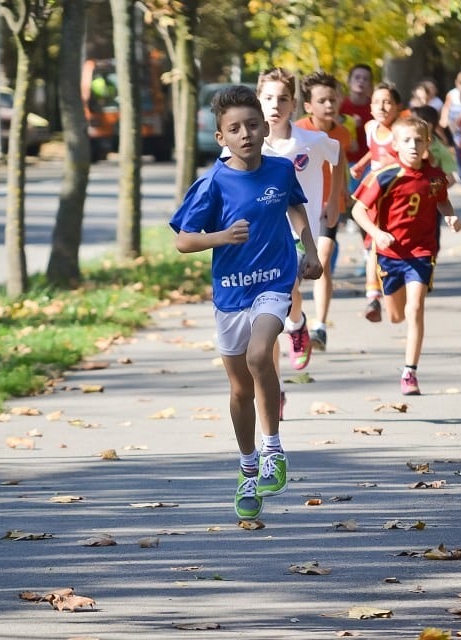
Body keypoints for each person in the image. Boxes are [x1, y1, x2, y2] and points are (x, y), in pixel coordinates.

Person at [169, 85, 322, 521]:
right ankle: (248, 466)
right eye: (234, 129)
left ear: (264, 127)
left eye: (253, 125)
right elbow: (183, 240)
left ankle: (273, 448)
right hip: (230, 293)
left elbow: (297, 209)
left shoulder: (279, 171)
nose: (246, 134)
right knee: (239, 388)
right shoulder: (212, 183)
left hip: (274, 281)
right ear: (221, 138)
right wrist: (222, 236)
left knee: (261, 356)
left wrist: (309, 250)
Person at [350, 116, 461, 396]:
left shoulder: (435, 176)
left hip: (421, 252)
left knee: (415, 309)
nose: (413, 146)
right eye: (407, 141)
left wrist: (450, 217)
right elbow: (358, 211)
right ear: (396, 145)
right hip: (389, 253)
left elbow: (442, 200)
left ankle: (409, 372)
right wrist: (376, 233)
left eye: (419, 141)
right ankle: (383, 299)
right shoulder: (384, 175)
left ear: (427, 144)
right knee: (397, 315)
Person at [255, 67, 339, 419]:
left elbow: (337, 156)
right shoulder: (249, 143)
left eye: (283, 99)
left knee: (285, 290)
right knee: (265, 318)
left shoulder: (311, 140)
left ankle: (298, 321)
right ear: (258, 100)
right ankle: (277, 389)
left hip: (299, 231)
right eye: (268, 98)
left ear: (294, 104)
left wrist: (334, 199)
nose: (275, 105)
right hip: (260, 236)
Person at [296, 71, 351, 353]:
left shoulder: (342, 134)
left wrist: (336, 200)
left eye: (332, 99)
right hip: (300, 208)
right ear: (308, 105)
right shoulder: (298, 131)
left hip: (329, 206)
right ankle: (297, 321)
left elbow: (339, 170)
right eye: (322, 100)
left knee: (324, 259)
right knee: (299, 270)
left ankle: (320, 326)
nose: (329, 105)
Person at [351, 83, 403, 321]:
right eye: (376, 102)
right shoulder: (371, 127)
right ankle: (373, 296)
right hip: (374, 191)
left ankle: (397, 287)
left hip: (397, 192)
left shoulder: (402, 131)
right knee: (373, 243)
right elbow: (374, 150)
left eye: (387, 102)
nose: (381, 107)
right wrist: (362, 164)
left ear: (397, 107)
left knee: (392, 243)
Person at [439, 69, 461, 204]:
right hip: (458, 135)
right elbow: (446, 113)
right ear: (456, 83)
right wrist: (452, 131)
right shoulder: (452, 95)